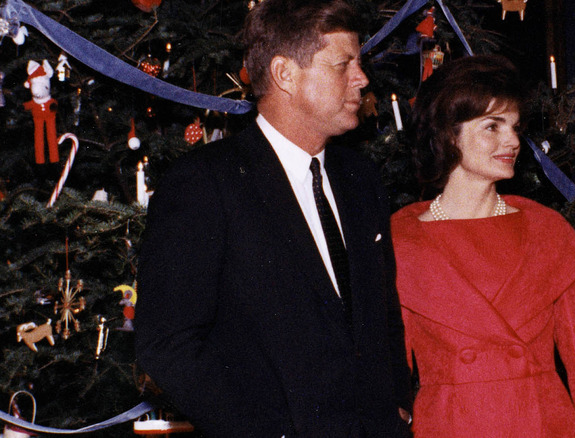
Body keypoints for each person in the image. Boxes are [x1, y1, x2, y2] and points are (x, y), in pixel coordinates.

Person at [134, 1, 412, 437]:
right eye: (343, 64)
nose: (361, 79)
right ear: (285, 74)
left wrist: (398, 409)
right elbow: (168, 344)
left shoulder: (361, 180)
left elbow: (383, 316)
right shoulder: (204, 183)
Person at [391, 55, 575, 437]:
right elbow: (393, 379)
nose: (512, 141)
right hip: (450, 426)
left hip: (541, 422)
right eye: (492, 127)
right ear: (449, 134)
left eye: (514, 127)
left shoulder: (548, 231)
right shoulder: (402, 242)